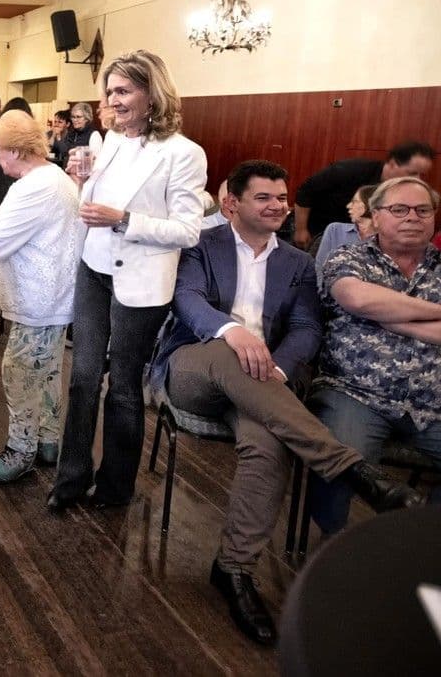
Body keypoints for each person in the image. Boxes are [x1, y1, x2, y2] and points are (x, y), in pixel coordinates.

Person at [150, 161, 421, 644]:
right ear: (232, 203)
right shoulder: (200, 246)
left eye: (283, 197)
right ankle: (349, 466)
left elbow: (306, 329)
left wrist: (276, 367)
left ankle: (234, 568)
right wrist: (235, 334)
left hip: (263, 383)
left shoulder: (296, 263)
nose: (279, 206)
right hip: (197, 366)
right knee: (225, 351)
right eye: (265, 198)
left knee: (268, 442)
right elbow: (188, 302)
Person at [49, 49, 208, 512]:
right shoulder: (110, 141)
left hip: (141, 282)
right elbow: (91, 209)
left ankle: (116, 487)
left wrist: (123, 220)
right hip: (94, 269)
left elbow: (187, 230)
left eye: (122, 91)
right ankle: (70, 478)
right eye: (109, 92)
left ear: (151, 93)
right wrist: (82, 181)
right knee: (80, 377)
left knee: (122, 385)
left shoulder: (184, 153)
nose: (112, 101)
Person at [306, 176, 441, 533]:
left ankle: (425, 541)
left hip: (433, 400)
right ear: (376, 216)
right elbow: (359, 299)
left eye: (422, 210)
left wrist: (394, 320)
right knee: (344, 455)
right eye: (399, 209)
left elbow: (373, 306)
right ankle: (334, 549)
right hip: (355, 393)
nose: (412, 217)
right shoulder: (349, 257)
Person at [0, 111, 80, 480]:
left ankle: (20, 451)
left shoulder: (36, 187)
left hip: (39, 298)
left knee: (19, 372)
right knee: (48, 371)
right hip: (52, 296)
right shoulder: (54, 177)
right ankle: (47, 439)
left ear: (16, 150)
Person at [293, 141, 434, 249]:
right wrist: (301, 230)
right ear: (392, 164)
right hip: (320, 232)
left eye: (421, 174)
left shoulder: (404, 190)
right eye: (412, 172)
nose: (418, 179)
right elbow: (305, 193)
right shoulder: (349, 170)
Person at [314, 183, 377, 281]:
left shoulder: (386, 238)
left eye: (354, 202)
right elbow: (320, 267)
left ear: (369, 204)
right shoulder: (335, 229)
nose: (348, 206)